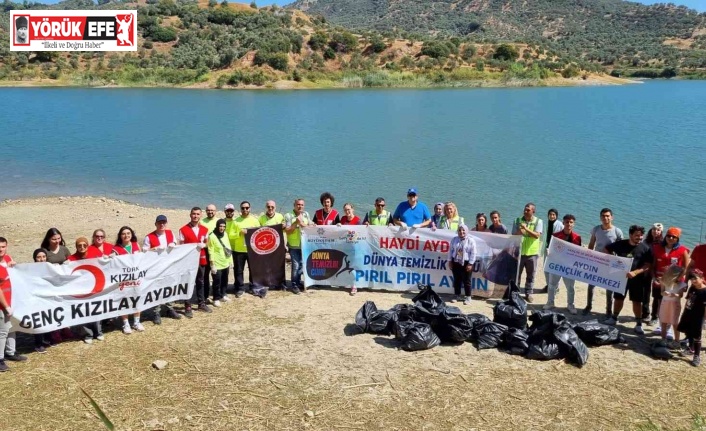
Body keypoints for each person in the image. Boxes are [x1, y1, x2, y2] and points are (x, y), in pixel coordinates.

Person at [604, 225, 653, 333]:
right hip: (621, 277)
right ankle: (614, 318)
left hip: (638, 279)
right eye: (636, 235)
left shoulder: (646, 248)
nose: (639, 238)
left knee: (637, 301)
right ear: (630, 235)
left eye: (641, 236)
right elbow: (606, 249)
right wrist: (613, 261)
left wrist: (635, 272)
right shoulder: (621, 244)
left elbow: (648, 265)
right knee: (618, 298)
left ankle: (639, 324)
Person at [583, 208, 624, 316]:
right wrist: (588, 256)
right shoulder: (596, 229)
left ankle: (608, 310)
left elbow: (621, 248)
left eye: (607, 216)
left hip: (610, 263)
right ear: (600, 217)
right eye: (603, 216)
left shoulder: (617, 231)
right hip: (596, 261)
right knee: (591, 285)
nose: (605, 218)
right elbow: (591, 244)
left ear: (612, 217)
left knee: (609, 287)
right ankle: (588, 306)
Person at [651, 227, 690, 337]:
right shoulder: (657, 248)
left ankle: (669, 330)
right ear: (665, 236)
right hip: (659, 281)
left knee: (672, 306)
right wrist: (653, 277)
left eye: (674, 237)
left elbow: (686, 268)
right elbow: (653, 265)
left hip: (674, 283)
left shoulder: (682, 250)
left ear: (678, 238)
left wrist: (679, 279)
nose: (671, 238)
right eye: (669, 236)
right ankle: (661, 325)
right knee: (659, 303)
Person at [143, 215, 181, 324]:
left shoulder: (170, 233)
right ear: (156, 224)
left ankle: (169, 308)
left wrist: (173, 244)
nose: (162, 224)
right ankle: (156, 312)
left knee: (169, 287)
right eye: (160, 223)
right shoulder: (149, 237)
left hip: (168, 266)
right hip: (156, 268)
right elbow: (144, 252)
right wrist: (154, 249)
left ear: (166, 223)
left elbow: (174, 243)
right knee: (156, 289)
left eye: (164, 222)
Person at [68, 237, 105, 344]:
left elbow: (103, 264)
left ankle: (98, 332)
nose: (82, 247)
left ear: (88, 245)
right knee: (83, 312)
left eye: (84, 245)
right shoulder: (72, 258)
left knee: (96, 310)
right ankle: (87, 334)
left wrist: (107, 259)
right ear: (76, 247)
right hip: (80, 290)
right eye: (79, 246)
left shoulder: (94, 255)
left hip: (94, 287)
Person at [543, 214, 581, 314]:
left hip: (570, 266)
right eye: (567, 222)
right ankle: (550, 302)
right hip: (557, 265)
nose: (569, 224)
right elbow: (551, 248)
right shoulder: (555, 236)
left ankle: (570, 304)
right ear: (563, 223)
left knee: (570, 287)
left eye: (571, 222)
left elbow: (579, 252)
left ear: (574, 224)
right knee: (552, 285)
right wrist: (548, 251)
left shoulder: (578, 237)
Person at [178, 207, 210, 318]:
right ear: (190, 215)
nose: (195, 216)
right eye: (193, 214)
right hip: (188, 260)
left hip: (201, 258)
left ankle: (201, 303)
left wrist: (204, 245)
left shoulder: (205, 229)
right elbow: (181, 246)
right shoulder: (183, 229)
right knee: (188, 282)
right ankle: (187, 305)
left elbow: (207, 243)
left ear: (201, 215)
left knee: (200, 281)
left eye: (197, 214)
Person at [112, 226, 145, 334]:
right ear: (120, 236)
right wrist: (110, 257)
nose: (126, 235)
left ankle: (136, 322)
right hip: (124, 280)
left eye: (128, 233)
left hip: (136, 278)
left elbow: (142, 259)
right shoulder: (116, 249)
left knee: (137, 299)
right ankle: (125, 323)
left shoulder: (136, 245)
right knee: (124, 301)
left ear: (131, 234)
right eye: (124, 234)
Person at [512, 203, 544, 302]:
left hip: (532, 253)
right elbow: (513, 234)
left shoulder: (538, 221)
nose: (525, 211)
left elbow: (537, 235)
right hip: (519, 252)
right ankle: (515, 293)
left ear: (533, 211)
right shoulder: (517, 220)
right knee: (517, 274)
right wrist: (519, 231)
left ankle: (528, 293)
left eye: (528, 210)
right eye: (525, 209)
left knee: (531, 275)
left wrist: (526, 229)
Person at [0, 263, 27, 372]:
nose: (1, 249)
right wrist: (6, 306)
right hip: (2, 306)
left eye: (3, 246)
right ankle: (0, 359)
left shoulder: (6, 262)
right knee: (2, 331)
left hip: (10, 303)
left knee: (11, 328)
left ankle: (11, 352)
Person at [677, 269, 706, 367]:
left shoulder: (705, 291)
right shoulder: (692, 288)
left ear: (702, 279)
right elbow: (688, 300)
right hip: (688, 313)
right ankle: (690, 348)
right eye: (691, 279)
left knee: (697, 335)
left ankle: (697, 356)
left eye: (695, 279)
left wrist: (705, 320)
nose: (693, 281)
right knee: (688, 331)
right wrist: (685, 311)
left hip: (698, 316)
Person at [233, 201, 261, 298]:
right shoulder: (236, 221)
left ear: (250, 208)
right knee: (238, 270)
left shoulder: (255, 221)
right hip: (238, 250)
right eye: (243, 208)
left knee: (253, 270)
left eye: (247, 208)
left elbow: (259, 234)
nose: (245, 210)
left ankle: (253, 286)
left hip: (252, 249)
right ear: (240, 209)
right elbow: (231, 235)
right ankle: (240, 288)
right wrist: (240, 232)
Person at [284, 198, 311, 294]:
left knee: (302, 265)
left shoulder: (306, 214)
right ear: (294, 205)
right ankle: (294, 285)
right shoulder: (288, 216)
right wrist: (296, 223)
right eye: (298, 204)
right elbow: (287, 230)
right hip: (293, 245)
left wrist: (309, 225)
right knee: (295, 266)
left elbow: (310, 226)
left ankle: (299, 282)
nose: (300, 206)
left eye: (302, 205)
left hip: (304, 245)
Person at [448, 224, 477, 305]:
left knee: (467, 280)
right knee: (457, 279)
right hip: (456, 262)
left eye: (463, 230)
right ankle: (457, 295)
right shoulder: (454, 239)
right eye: (460, 230)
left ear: (466, 231)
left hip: (466, 263)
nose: (461, 232)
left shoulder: (470, 240)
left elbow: (473, 253)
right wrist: (450, 261)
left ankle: (468, 297)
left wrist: (470, 264)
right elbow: (450, 251)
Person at [31, 249, 54, 352]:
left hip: (47, 298)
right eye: (39, 257)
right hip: (36, 299)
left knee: (48, 318)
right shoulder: (30, 269)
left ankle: (46, 339)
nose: (41, 259)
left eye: (43, 257)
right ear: (35, 259)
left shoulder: (49, 268)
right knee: (38, 321)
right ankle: (38, 343)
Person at [207, 219, 232, 307]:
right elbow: (211, 251)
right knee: (217, 282)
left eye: (223, 226)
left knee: (225, 280)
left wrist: (230, 261)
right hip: (217, 263)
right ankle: (216, 298)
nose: (222, 228)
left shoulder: (225, 234)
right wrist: (212, 264)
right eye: (220, 226)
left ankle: (223, 294)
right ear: (217, 226)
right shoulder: (212, 236)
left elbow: (228, 247)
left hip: (225, 262)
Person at [540, 208, 564, 293]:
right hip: (547, 249)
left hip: (556, 251)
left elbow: (563, 238)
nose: (552, 216)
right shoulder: (547, 223)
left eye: (553, 215)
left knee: (554, 269)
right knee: (546, 268)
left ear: (556, 216)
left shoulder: (560, 224)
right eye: (550, 214)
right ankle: (548, 286)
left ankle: (556, 288)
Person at [200, 203, 219, 299]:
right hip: (205, 250)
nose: (210, 212)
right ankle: (205, 294)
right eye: (208, 210)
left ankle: (217, 295)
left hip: (216, 251)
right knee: (205, 274)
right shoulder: (201, 222)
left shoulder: (219, 221)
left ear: (215, 211)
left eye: (212, 210)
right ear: (205, 211)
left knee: (216, 273)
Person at [224, 203, 238, 297]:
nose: (229, 212)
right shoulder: (221, 221)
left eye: (231, 211)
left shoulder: (237, 222)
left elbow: (239, 234)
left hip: (236, 248)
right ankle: (223, 288)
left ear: (233, 212)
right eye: (228, 211)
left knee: (237, 269)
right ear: (225, 211)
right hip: (224, 249)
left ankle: (237, 287)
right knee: (225, 269)